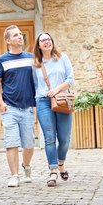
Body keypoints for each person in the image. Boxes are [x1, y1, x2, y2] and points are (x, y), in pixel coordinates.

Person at [0, 25, 36, 187]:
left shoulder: (30, 58)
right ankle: (14, 175)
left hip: (27, 109)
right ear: (8, 40)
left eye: (20, 34)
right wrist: (1, 103)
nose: (20, 37)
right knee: (11, 143)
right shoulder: (2, 60)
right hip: (9, 108)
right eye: (16, 35)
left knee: (29, 144)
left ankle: (26, 166)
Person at [32, 32, 74, 187]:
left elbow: (70, 79)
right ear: (39, 45)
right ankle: (53, 171)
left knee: (64, 139)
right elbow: (35, 85)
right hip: (43, 101)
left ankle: (61, 162)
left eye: (48, 39)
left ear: (52, 42)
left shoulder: (63, 57)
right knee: (49, 137)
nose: (46, 42)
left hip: (62, 99)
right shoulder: (36, 63)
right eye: (43, 40)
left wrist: (56, 90)